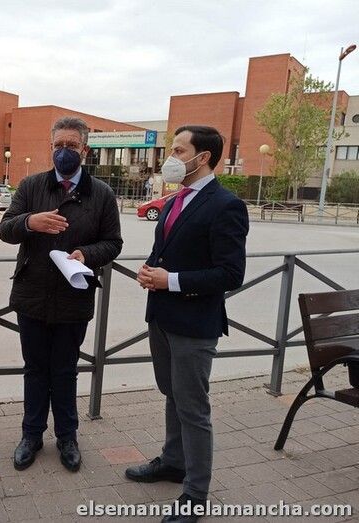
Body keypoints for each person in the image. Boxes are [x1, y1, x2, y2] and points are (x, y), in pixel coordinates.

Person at [125, 125, 249, 523]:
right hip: (161, 316)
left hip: (194, 324)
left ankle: (196, 493)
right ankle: (173, 462)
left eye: (179, 150)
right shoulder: (176, 198)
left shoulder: (225, 205)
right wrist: (151, 270)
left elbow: (231, 274)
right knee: (172, 395)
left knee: (193, 407)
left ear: (203, 157)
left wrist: (171, 281)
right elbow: (166, 250)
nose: (171, 157)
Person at [0, 116, 123, 473]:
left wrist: (87, 254)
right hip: (32, 295)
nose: (64, 151)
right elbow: (5, 229)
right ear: (50, 147)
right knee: (35, 369)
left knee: (65, 371)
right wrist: (29, 222)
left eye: (71, 145)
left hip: (74, 297)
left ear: (85, 150)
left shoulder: (101, 194)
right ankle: (31, 436)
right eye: (58, 145)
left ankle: (68, 437)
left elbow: (113, 243)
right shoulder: (31, 186)